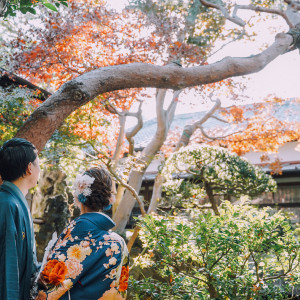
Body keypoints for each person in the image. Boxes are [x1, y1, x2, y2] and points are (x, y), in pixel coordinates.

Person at [36, 167, 129, 300]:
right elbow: (120, 290)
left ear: (80, 193)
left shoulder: (76, 233)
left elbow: (49, 286)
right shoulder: (118, 242)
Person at [0, 138, 40, 300]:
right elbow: (7, 266)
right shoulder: (7, 204)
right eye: (38, 164)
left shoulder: (13, 202)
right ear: (29, 168)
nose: (40, 169)